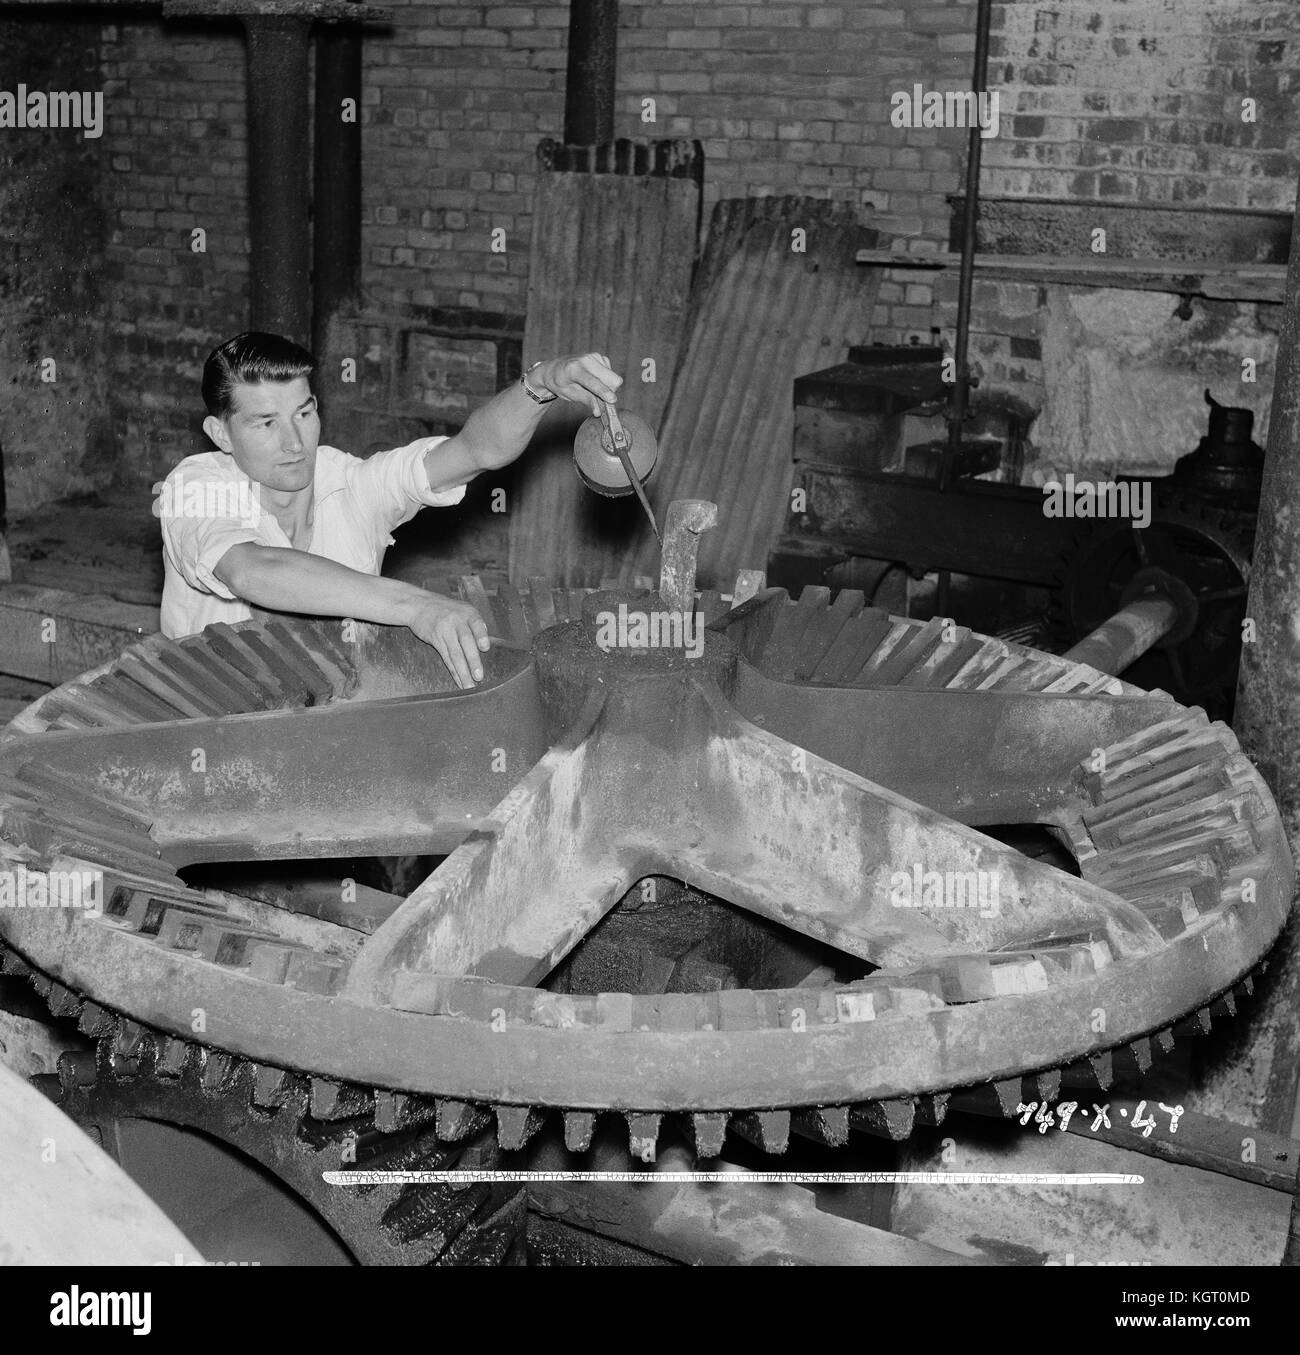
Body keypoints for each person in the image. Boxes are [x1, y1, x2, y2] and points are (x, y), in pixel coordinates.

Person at [157, 331, 621, 687]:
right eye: (265, 423)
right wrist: (416, 605)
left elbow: (475, 451)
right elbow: (252, 571)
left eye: (304, 413)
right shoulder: (196, 486)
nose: (295, 442)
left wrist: (540, 384)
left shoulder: (354, 484)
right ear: (221, 435)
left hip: (329, 715)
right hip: (210, 721)